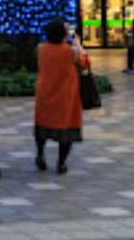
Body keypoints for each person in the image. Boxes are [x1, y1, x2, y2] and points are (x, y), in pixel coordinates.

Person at [34, 19, 89, 174]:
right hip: (66, 95)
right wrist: (78, 45)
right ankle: (61, 163)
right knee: (66, 129)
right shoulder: (71, 51)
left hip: (45, 93)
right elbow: (85, 63)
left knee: (42, 126)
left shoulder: (41, 49)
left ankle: (40, 155)